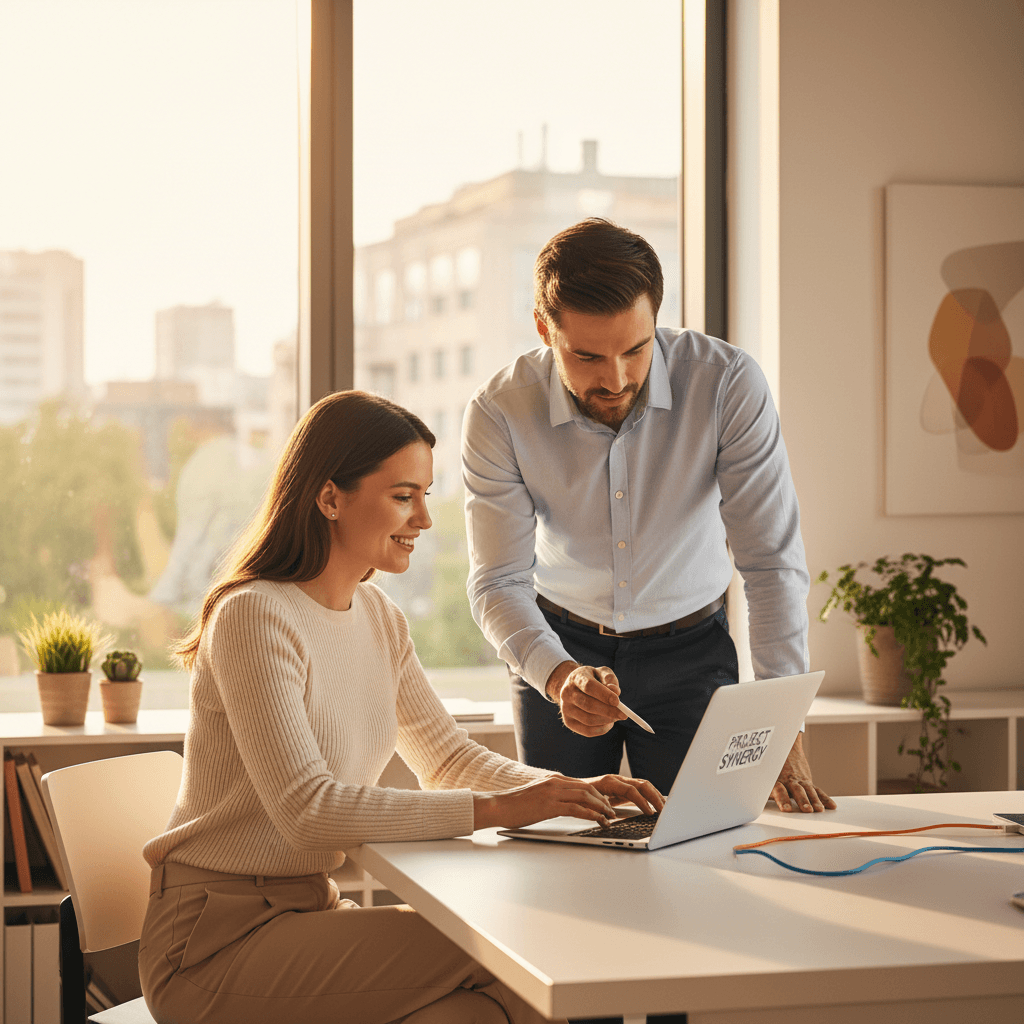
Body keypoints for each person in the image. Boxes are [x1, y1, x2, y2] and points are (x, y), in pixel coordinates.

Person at [139, 390, 664, 1024]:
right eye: (402, 496)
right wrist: (500, 809)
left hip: (309, 914)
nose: (423, 520)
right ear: (330, 498)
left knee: (504, 994)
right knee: (517, 956)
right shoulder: (254, 614)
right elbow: (308, 810)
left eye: (425, 496)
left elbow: (443, 756)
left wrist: (564, 790)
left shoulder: (379, 617)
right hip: (212, 946)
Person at [463, 218, 836, 817]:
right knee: (556, 856)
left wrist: (782, 725)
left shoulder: (726, 385)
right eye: (586, 356)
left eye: (635, 349)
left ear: (655, 319)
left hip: (692, 652)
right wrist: (558, 676)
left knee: (708, 850)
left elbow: (770, 564)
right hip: (559, 648)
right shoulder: (499, 411)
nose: (615, 379)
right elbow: (497, 581)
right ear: (544, 330)